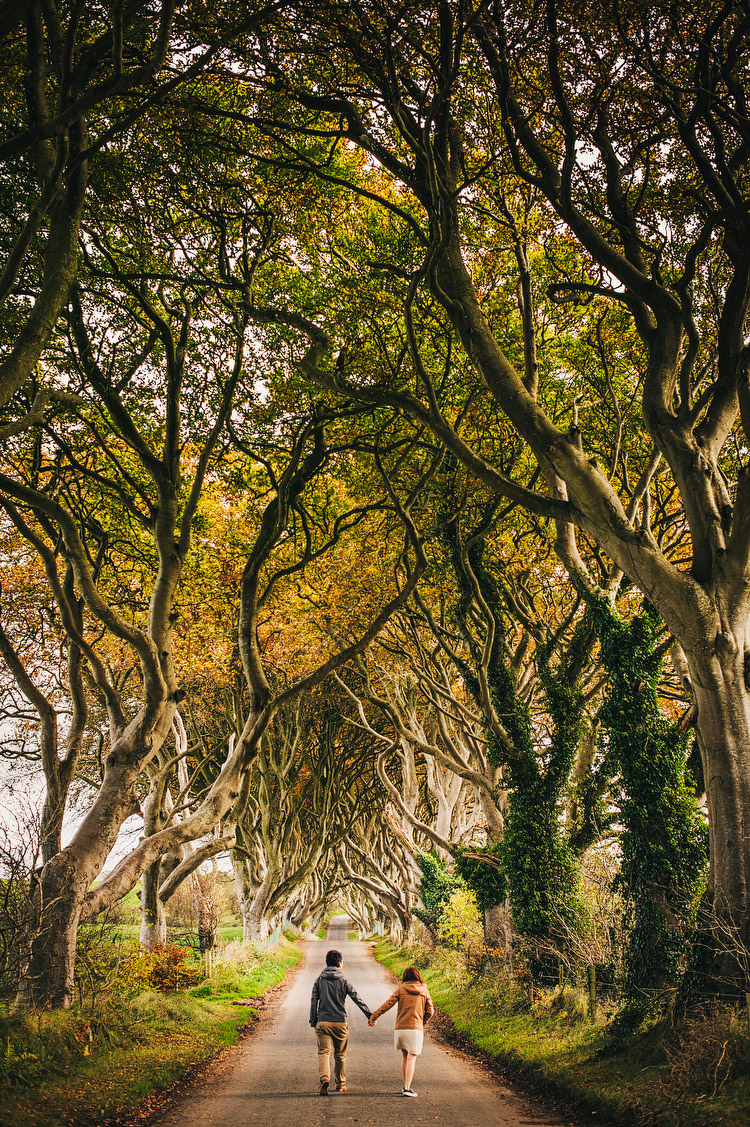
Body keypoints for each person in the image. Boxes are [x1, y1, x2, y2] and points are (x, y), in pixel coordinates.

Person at [310, 948, 373, 1095]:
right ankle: (341, 1084)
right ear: (340, 963)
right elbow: (357, 998)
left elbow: (313, 1002)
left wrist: (314, 1021)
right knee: (340, 1055)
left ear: (327, 963)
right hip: (340, 1022)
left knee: (324, 1052)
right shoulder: (344, 980)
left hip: (323, 1022)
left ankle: (325, 1079)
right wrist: (369, 1015)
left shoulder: (319, 980)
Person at [368, 966, 434, 1097]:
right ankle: (407, 1088)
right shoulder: (424, 990)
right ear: (418, 976)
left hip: (401, 1029)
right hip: (415, 1029)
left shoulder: (401, 989)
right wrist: (422, 1021)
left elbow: (387, 1004)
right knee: (412, 1057)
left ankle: (406, 1086)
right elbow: (430, 1011)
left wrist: (373, 1017)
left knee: (405, 1057)